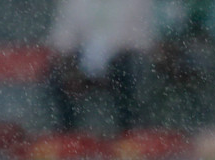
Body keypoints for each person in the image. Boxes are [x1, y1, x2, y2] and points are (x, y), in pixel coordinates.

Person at [47, 0, 156, 135]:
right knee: (56, 73)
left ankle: (128, 129)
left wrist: (110, 53)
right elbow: (63, 38)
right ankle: (67, 131)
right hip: (82, 57)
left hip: (121, 55)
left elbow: (141, 38)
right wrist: (73, 65)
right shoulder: (74, 3)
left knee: (128, 69)